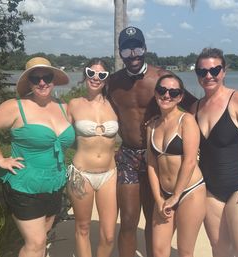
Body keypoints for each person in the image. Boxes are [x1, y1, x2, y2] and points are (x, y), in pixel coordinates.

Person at [108, 26, 197, 257]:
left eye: (137, 48)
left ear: (145, 48)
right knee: (128, 220)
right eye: (127, 51)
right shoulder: (113, 83)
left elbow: (195, 106)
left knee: (153, 217)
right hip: (128, 156)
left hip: (155, 156)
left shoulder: (162, 80)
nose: (133, 55)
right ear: (120, 53)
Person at [0, 57, 75, 257]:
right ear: (29, 82)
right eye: (35, 78)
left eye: (46, 76)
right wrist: (0, 159)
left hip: (55, 184)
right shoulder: (16, 106)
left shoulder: (64, 107)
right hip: (25, 185)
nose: (42, 82)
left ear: (53, 79)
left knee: (44, 234)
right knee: (36, 243)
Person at [190, 47, 238, 257]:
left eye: (215, 70)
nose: (208, 76)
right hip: (210, 191)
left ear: (224, 71)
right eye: (202, 71)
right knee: (220, 250)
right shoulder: (195, 108)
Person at [147, 74, 206, 257]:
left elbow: (190, 160)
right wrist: (158, 198)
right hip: (165, 194)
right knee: (158, 250)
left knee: (185, 251)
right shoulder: (152, 126)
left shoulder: (186, 120)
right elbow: (151, 164)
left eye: (173, 92)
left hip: (190, 191)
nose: (167, 95)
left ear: (180, 97)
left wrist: (176, 196)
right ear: (156, 93)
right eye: (162, 90)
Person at [66, 59, 118, 257]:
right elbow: (59, 135)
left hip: (109, 175)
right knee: (83, 228)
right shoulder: (74, 105)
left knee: (109, 235)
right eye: (91, 73)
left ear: (106, 79)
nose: (96, 78)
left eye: (102, 75)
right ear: (85, 74)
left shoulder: (114, 105)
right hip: (81, 174)